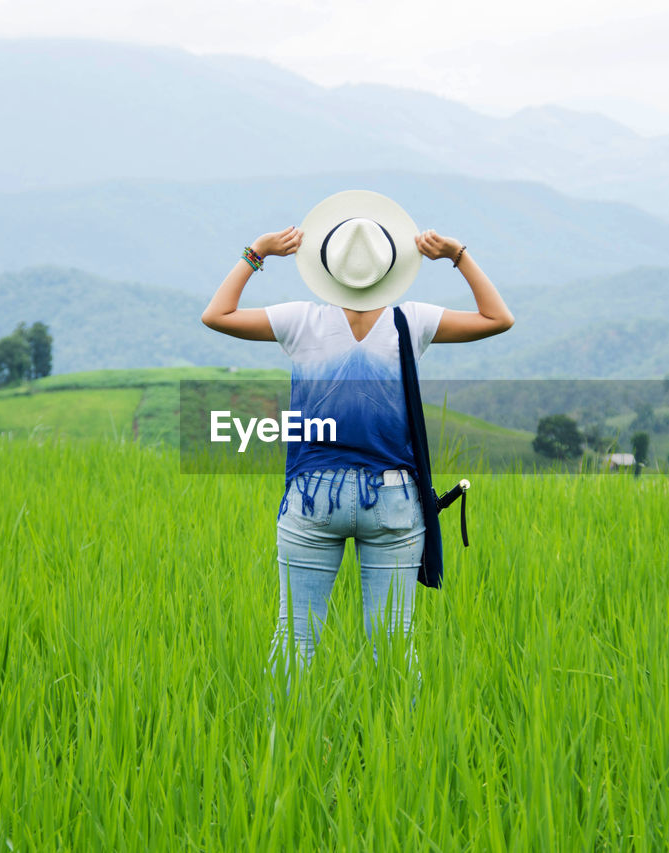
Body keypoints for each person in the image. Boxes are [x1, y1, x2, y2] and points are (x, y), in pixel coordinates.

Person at [200, 190, 514, 682]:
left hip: (312, 496)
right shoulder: (413, 322)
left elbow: (216, 315)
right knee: (392, 647)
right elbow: (499, 319)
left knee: (296, 639)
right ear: (390, 268)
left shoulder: (299, 320)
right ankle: (399, 750)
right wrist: (458, 256)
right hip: (392, 497)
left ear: (327, 267)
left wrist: (256, 253)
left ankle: (284, 749)